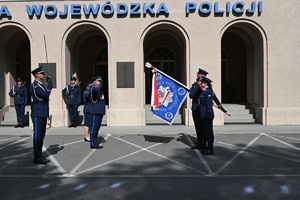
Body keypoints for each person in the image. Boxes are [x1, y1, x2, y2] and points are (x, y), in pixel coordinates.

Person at [30, 66, 53, 164]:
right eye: (41, 73)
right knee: (37, 135)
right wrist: (49, 85)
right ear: (36, 75)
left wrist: (49, 84)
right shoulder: (35, 85)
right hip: (38, 111)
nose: (43, 75)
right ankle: (37, 156)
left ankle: (39, 155)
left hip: (42, 111)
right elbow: (45, 95)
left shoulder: (40, 85)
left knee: (42, 135)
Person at [189, 68, 209, 149]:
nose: (197, 75)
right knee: (202, 126)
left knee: (199, 126)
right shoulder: (206, 84)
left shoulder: (198, 84)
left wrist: (194, 87)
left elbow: (191, 95)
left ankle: (201, 143)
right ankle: (202, 140)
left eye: (198, 74)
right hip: (203, 108)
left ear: (201, 75)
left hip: (197, 108)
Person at [199, 76, 216, 155]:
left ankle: (210, 149)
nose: (201, 83)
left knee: (209, 132)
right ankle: (207, 148)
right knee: (206, 131)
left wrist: (209, 113)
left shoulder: (208, 92)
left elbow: (209, 104)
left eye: (202, 82)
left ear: (205, 84)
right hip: (204, 113)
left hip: (207, 114)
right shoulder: (205, 91)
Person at [89, 75, 105, 149]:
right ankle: (93, 143)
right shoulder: (93, 89)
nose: (100, 83)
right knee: (94, 128)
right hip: (95, 111)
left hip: (100, 111)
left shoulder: (99, 89)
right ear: (94, 82)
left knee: (97, 128)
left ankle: (95, 141)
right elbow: (98, 89)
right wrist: (101, 84)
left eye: (100, 81)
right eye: (99, 81)